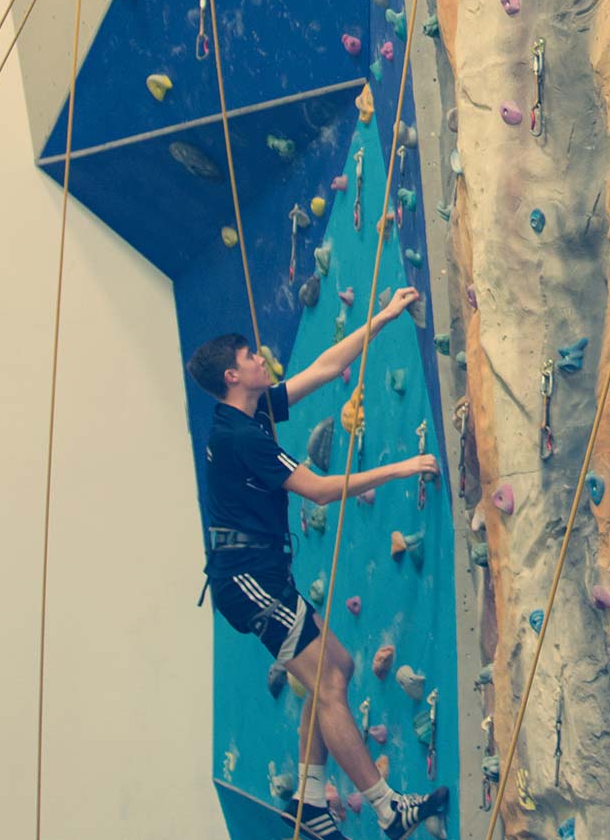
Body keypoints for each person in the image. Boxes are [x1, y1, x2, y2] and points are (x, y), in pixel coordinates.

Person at [185, 287, 447, 840]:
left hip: (263, 573)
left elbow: (328, 368)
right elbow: (322, 491)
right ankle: (386, 807)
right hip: (247, 579)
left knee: (342, 668)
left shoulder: (252, 413)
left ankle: (308, 803)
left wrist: (382, 317)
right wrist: (400, 469)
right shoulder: (238, 436)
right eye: (249, 357)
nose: (261, 357)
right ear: (233, 376)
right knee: (328, 681)